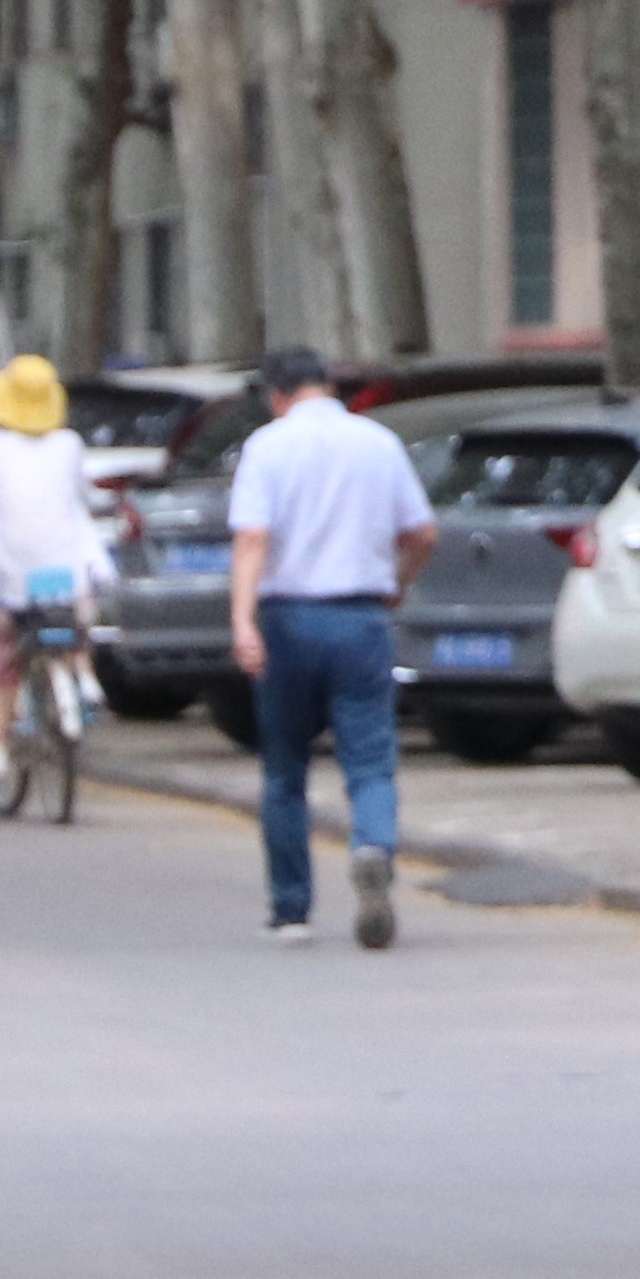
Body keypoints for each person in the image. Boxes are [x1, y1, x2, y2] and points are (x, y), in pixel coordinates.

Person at [226, 347, 433, 948]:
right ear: (328, 387)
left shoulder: (267, 447)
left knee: (284, 769)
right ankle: (372, 846)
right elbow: (423, 533)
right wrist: (397, 583)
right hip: (360, 616)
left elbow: (252, 540)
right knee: (369, 759)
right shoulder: (378, 443)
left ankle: (292, 910)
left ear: (276, 394)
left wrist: (242, 622)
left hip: (288, 618)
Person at [0, 354, 116, 784]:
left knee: (5, 647)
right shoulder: (69, 444)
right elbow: (85, 497)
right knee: (71, 619)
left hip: (11, 578)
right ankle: (84, 675)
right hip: (67, 575)